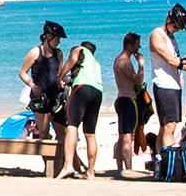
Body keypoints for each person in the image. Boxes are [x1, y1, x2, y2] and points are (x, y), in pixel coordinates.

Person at [20, 22, 68, 173]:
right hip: (40, 100)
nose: (59, 41)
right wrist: (32, 86)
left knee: (63, 133)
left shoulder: (59, 53)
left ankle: (61, 163)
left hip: (56, 98)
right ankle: (49, 166)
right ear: (48, 37)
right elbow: (22, 72)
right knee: (44, 133)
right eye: (57, 38)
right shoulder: (35, 52)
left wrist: (62, 83)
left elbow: (59, 74)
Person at [147, 5, 186, 156]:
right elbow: (170, 60)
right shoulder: (157, 35)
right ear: (169, 19)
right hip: (164, 85)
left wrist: (182, 62)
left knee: (165, 126)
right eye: (176, 26)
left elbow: (175, 60)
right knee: (169, 127)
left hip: (174, 85)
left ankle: (161, 161)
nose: (177, 30)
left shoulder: (171, 38)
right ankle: (170, 159)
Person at [62, 38, 104, 178]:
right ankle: (90, 172)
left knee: (72, 126)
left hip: (81, 88)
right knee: (90, 133)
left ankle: (68, 166)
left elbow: (73, 58)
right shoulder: (96, 63)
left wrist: (60, 76)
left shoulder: (79, 49)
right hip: (97, 92)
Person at [112, 32, 146, 176]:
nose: (138, 48)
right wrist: (141, 65)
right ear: (130, 45)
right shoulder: (125, 61)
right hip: (128, 99)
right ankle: (128, 168)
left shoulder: (118, 60)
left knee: (122, 134)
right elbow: (138, 80)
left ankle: (120, 166)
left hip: (121, 98)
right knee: (127, 136)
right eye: (137, 45)